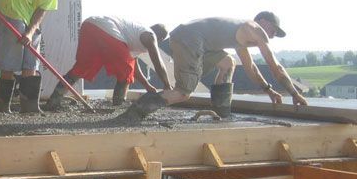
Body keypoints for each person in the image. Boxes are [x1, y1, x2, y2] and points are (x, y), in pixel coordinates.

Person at [128, 12, 308, 119]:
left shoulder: (243, 35)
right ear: (263, 22)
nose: (273, 35)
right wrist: (295, 93)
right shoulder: (255, 30)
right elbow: (276, 67)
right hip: (190, 39)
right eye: (274, 30)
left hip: (193, 39)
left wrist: (268, 90)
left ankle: (220, 111)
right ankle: (137, 112)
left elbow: (251, 68)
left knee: (228, 63)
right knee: (183, 93)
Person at [44, 16, 170, 110]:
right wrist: (167, 85)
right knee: (126, 71)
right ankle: (118, 105)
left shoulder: (135, 34)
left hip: (89, 25)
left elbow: (133, 66)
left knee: (82, 67)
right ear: (160, 38)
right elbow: (158, 63)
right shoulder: (150, 35)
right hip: (106, 28)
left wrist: (147, 85)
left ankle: (53, 102)